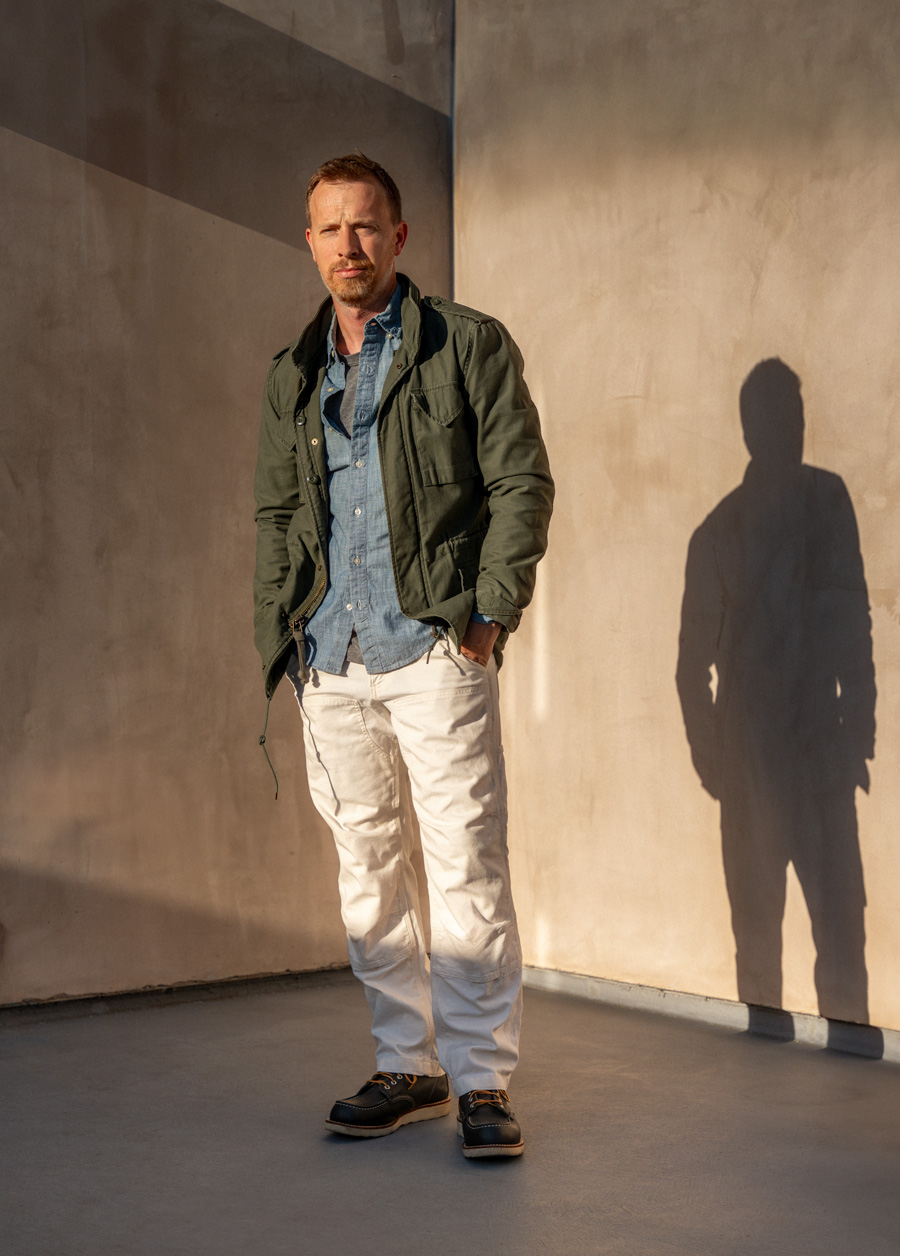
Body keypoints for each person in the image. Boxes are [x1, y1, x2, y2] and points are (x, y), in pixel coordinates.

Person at [252, 153, 553, 1159]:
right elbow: (278, 512)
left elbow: (521, 483)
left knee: (464, 855)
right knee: (365, 865)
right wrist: (285, 638)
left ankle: (479, 1077)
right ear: (310, 241)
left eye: (367, 226)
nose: (350, 245)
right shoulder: (294, 372)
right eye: (331, 228)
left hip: (431, 642)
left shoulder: (465, 344)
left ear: (399, 238)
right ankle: (406, 1061)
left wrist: (487, 621)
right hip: (332, 654)